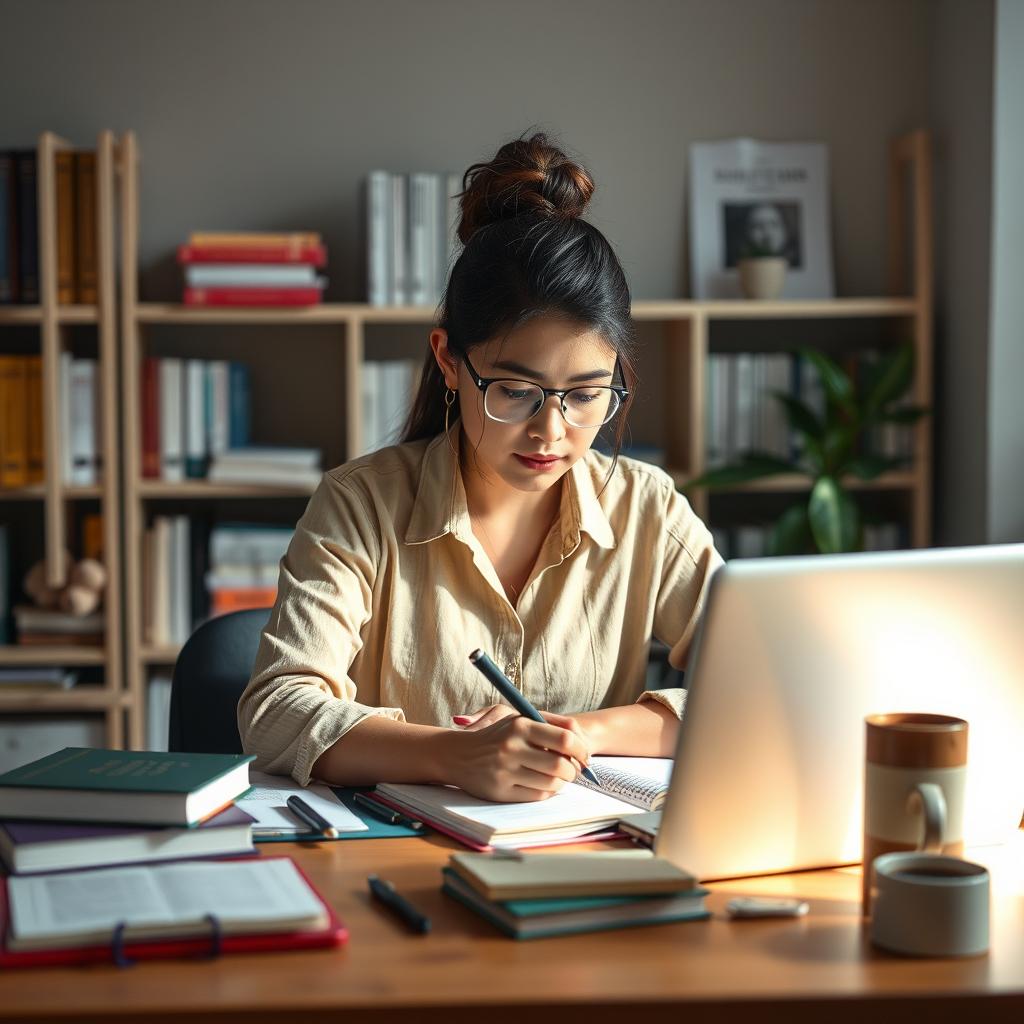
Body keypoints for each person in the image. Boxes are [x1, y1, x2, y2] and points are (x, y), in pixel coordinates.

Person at [237, 133, 722, 803]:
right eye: (516, 391)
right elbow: (274, 712)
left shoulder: (647, 507)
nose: (552, 432)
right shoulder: (362, 506)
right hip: (401, 862)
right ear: (448, 360)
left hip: (586, 866)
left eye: (586, 395)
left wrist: (578, 732)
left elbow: (758, 685)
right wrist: (454, 756)